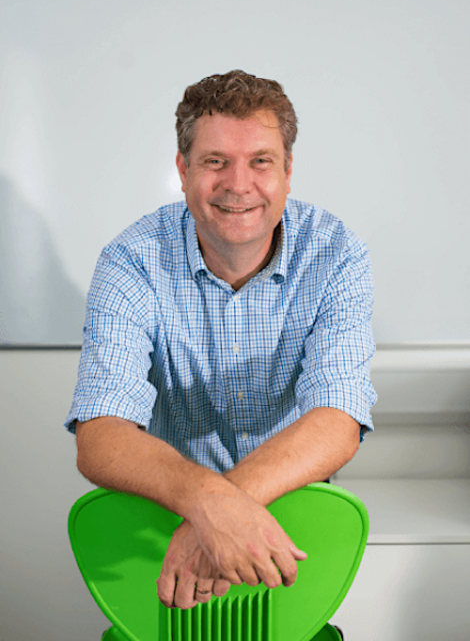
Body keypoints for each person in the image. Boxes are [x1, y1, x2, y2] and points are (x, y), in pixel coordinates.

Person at [65, 69, 376, 612]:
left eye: (261, 161)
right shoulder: (130, 260)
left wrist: (218, 512)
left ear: (287, 170)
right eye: (215, 162)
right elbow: (101, 436)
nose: (238, 184)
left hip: (292, 539)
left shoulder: (337, 254)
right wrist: (207, 505)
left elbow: (337, 421)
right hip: (161, 538)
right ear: (183, 170)